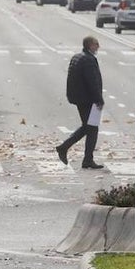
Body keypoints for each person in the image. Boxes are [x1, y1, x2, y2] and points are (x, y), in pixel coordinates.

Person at [56, 36, 105, 169]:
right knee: (92, 129)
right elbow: (92, 82)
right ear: (90, 45)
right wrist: (99, 99)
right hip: (87, 99)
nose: (98, 46)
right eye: (96, 44)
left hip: (79, 98)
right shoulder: (88, 60)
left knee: (87, 127)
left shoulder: (78, 57)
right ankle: (83, 157)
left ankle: (67, 149)